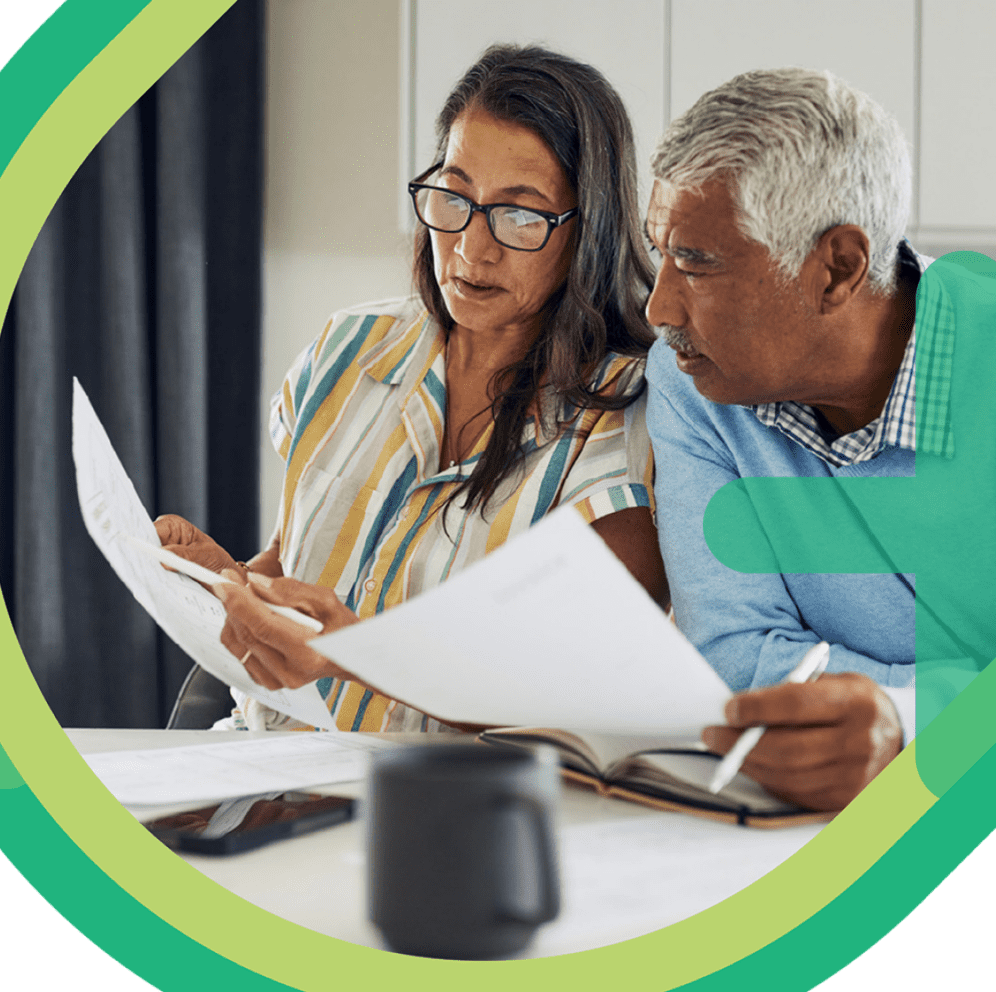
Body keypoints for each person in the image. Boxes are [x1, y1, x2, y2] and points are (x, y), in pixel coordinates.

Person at [158, 44, 665, 732]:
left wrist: (351, 655)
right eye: (453, 197)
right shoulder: (347, 348)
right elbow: (298, 556)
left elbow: (569, 691)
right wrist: (232, 586)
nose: (469, 248)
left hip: (440, 811)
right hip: (257, 772)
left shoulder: (631, 423)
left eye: (520, 215)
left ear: (589, 229)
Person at [643, 67, 960, 811]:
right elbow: (732, 656)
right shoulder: (693, 379)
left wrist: (906, 723)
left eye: (694, 261)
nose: (658, 306)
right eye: (660, 253)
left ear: (836, 269)